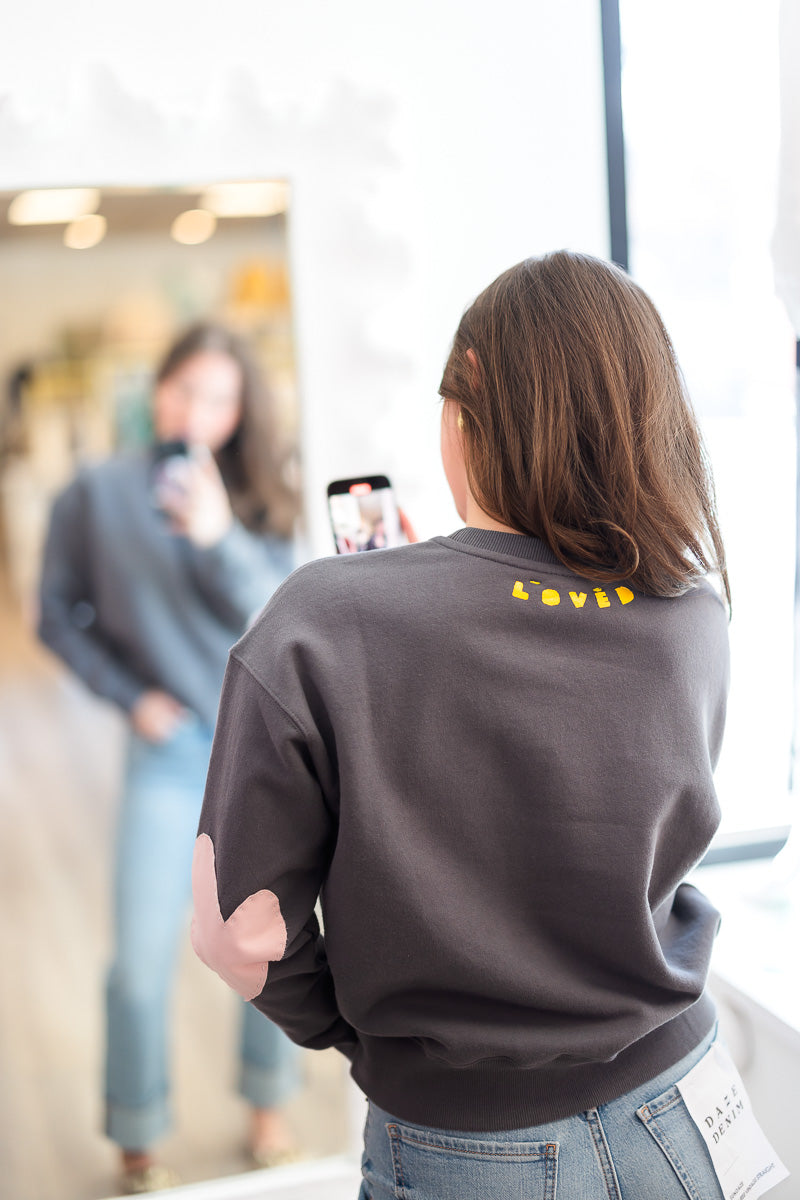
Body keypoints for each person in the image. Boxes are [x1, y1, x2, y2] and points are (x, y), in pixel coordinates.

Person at [191, 253, 737, 1199]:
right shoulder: (692, 610)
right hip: (688, 1109)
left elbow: (238, 930)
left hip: (465, 1148)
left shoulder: (327, 620)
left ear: (467, 393)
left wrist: (358, 1034)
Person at [38, 323, 303, 1195]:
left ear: (239, 412)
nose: (196, 411)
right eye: (183, 389)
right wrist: (129, 697)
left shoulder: (257, 494)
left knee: (267, 942)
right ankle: (137, 1137)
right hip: (169, 750)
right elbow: (55, 614)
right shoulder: (95, 495)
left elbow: (278, 616)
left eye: (219, 398)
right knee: (140, 957)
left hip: (260, 748)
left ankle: (270, 1109)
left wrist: (218, 533)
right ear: (157, 389)